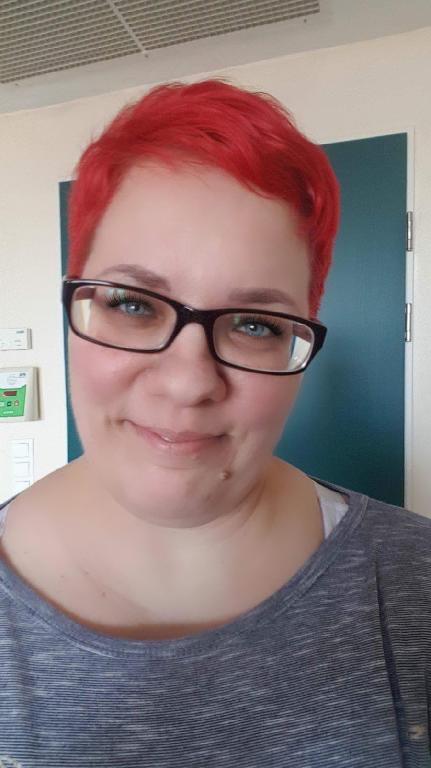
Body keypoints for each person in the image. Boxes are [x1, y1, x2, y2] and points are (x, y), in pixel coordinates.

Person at [0, 79, 430, 768]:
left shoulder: (414, 583)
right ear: (74, 305)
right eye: (133, 304)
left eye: (255, 324)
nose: (189, 382)